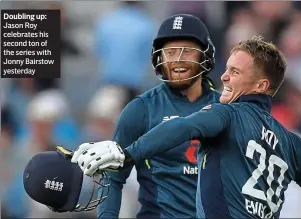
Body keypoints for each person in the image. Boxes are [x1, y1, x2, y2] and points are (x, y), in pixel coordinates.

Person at [71, 36, 301, 218]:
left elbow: (181, 128)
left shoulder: (227, 115)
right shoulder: (291, 142)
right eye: (227, 69)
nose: (224, 77)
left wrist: (127, 154)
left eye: (235, 72)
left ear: (261, 85)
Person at [89, 14, 219, 218]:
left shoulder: (228, 109)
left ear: (205, 55)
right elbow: (112, 177)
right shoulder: (140, 110)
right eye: (171, 52)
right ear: (159, 58)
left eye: (187, 51)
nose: (177, 59)